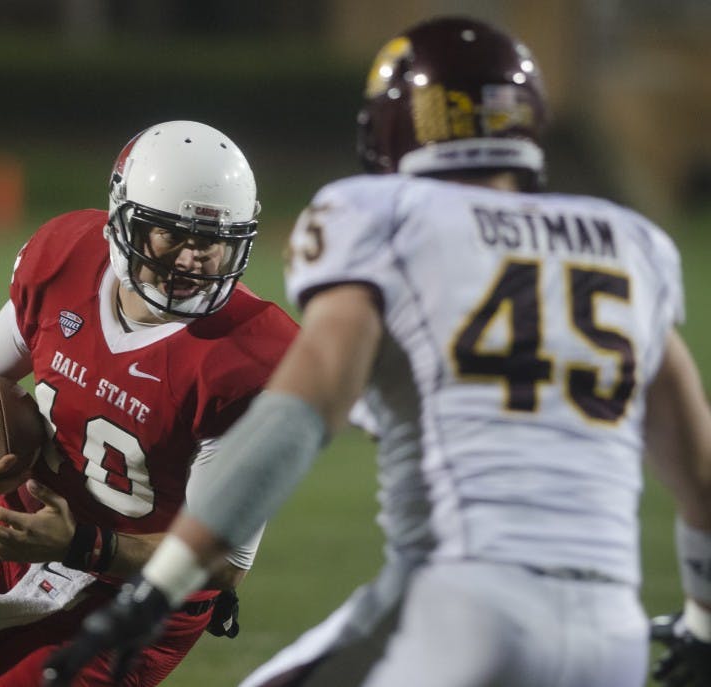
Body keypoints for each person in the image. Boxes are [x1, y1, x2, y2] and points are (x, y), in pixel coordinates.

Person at [44, 16, 711, 687]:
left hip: (460, 607)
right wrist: (706, 621)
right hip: (611, 632)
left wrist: (159, 585)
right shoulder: (630, 244)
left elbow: (296, 417)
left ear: (397, 125)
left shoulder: (383, 217)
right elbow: (701, 475)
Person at [0, 120, 298, 686]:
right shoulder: (68, 259)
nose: (193, 261)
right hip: (8, 536)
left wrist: (84, 544)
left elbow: (223, 561)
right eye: (172, 235)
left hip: (137, 598)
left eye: (212, 241)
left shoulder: (255, 360)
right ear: (124, 219)